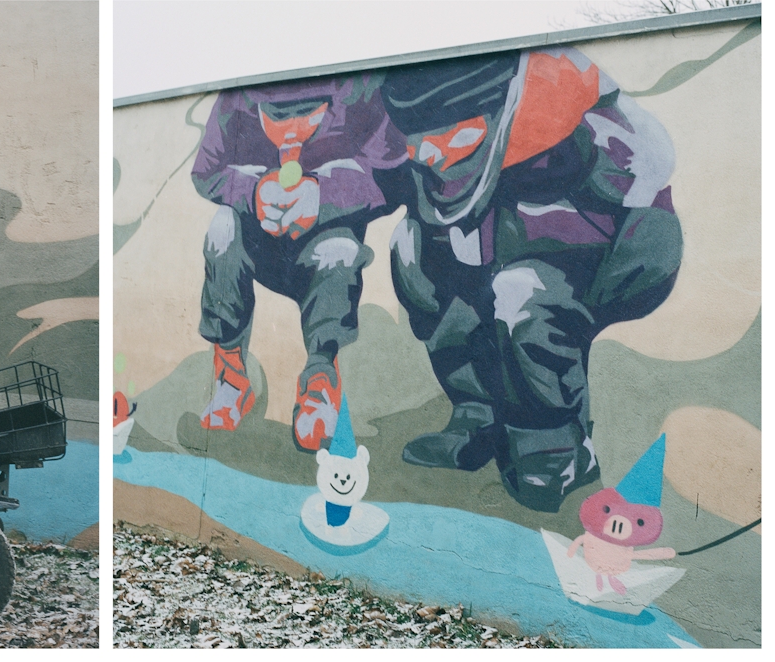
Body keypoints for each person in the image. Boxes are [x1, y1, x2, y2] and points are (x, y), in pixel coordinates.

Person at [375, 48, 683, 512]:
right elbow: (371, 183)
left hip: (604, 258)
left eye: (449, 136)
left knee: (522, 292)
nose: (430, 154)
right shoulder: (431, 154)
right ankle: (476, 413)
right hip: (495, 256)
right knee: (411, 251)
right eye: (419, 141)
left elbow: (642, 190)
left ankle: (555, 449)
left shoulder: (579, 128)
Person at [190, 74, 408, 452]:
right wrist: (253, 192)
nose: (291, 132)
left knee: (339, 250)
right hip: (260, 241)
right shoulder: (236, 98)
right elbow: (206, 171)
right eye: (276, 119)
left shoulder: (362, 88)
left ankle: (321, 381)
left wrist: (323, 196)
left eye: (308, 118)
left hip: (324, 243)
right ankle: (231, 379)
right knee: (222, 229)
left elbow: (394, 175)